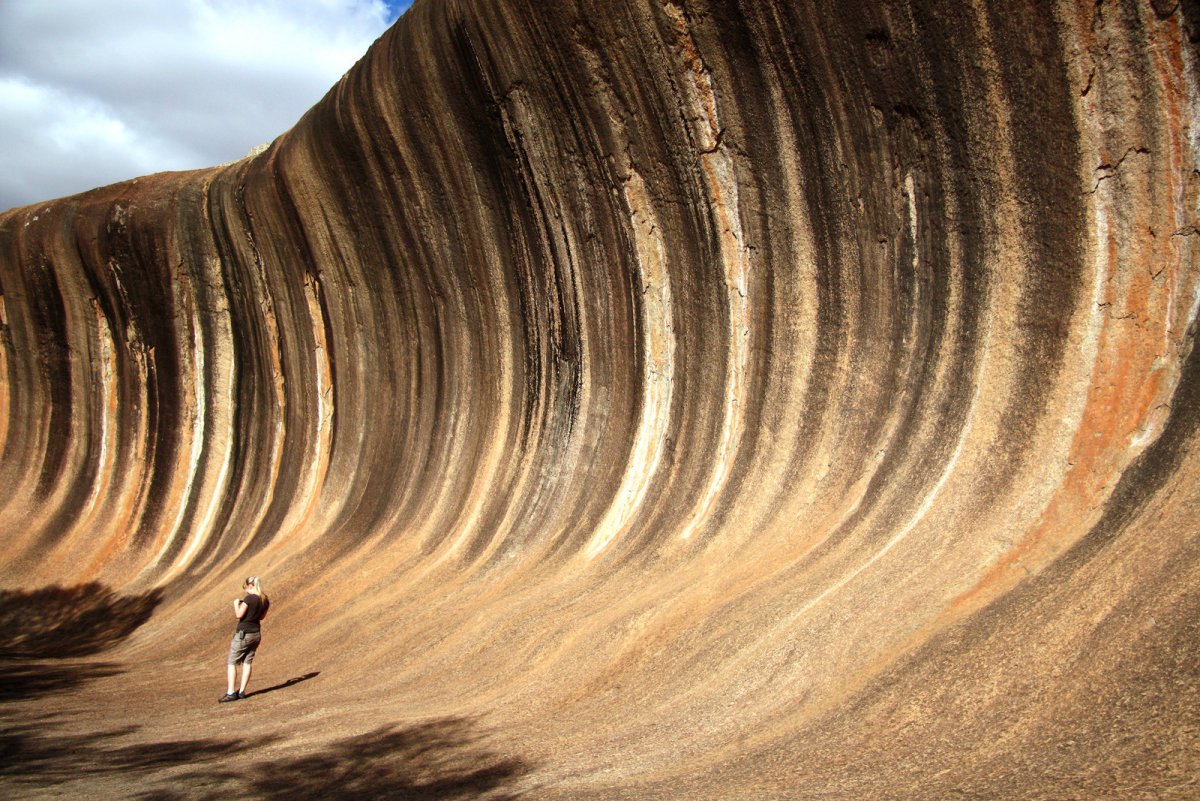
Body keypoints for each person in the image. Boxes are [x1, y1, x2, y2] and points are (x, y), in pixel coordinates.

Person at [219, 576, 270, 702]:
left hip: (244, 634)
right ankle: (242, 691)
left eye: (246, 588)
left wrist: (236, 605)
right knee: (248, 662)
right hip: (256, 634)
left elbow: (238, 615)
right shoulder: (264, 599)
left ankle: (231, 692)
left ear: (250, 586)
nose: (246, 591)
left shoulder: (249, 599)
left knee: (232, 662)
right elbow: (262, 617)